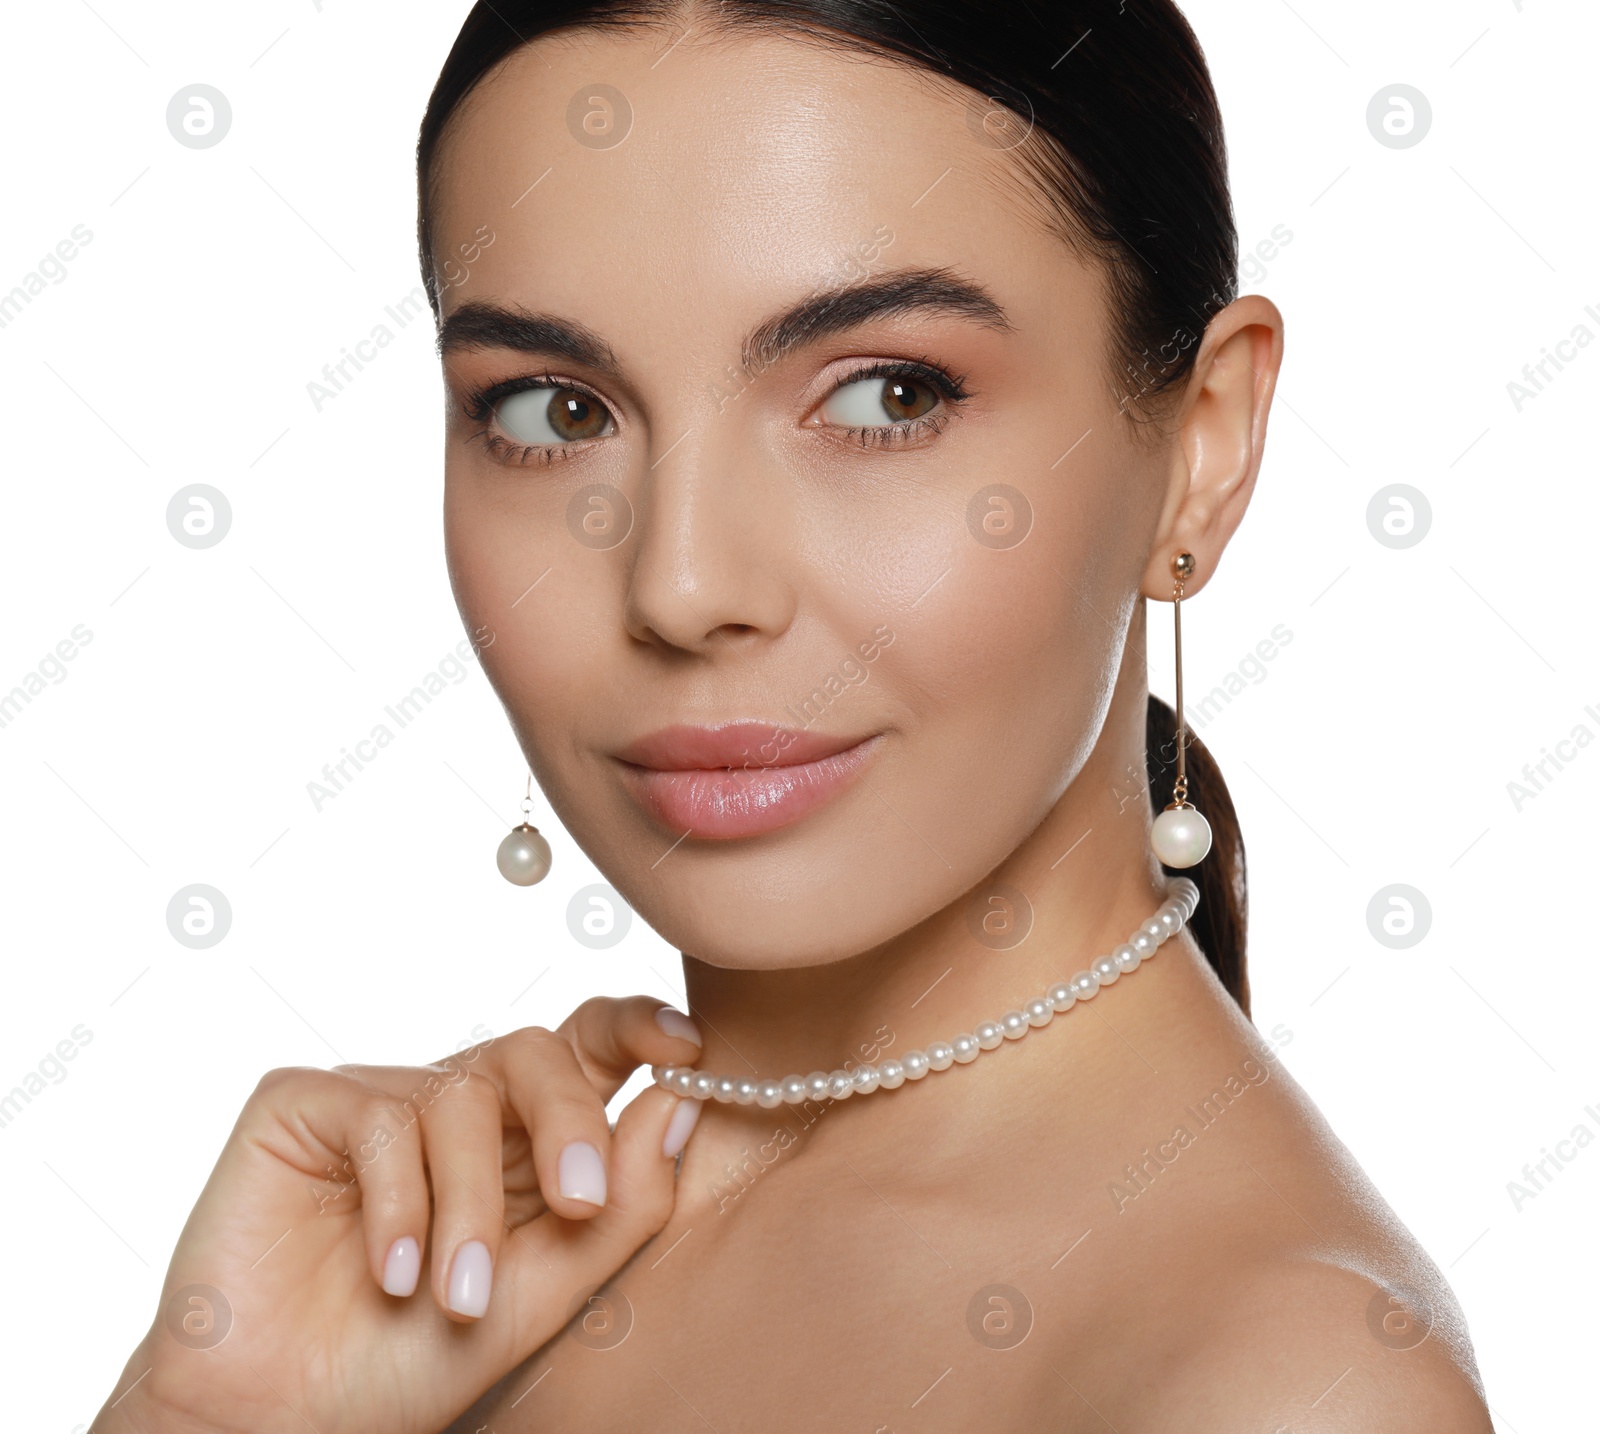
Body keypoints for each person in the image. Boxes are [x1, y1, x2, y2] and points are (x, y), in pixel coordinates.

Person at [94, 2, 1494, 1429]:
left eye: (888, 394)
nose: (683, 583)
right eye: (552, 413)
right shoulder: (466, 1277)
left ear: (1202, 448)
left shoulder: (1280, 1382)